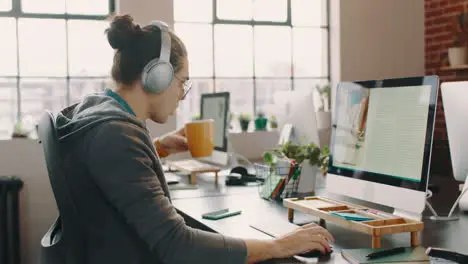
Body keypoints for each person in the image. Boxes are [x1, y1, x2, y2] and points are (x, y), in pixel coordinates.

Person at [54, 14, 334, 264]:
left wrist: (159, 148)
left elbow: (111, 168)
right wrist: (277, 245)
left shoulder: (97, 111)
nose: (182, 94)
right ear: (156, 76)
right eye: (182, 82)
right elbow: (177, 246)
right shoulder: (116, 135)